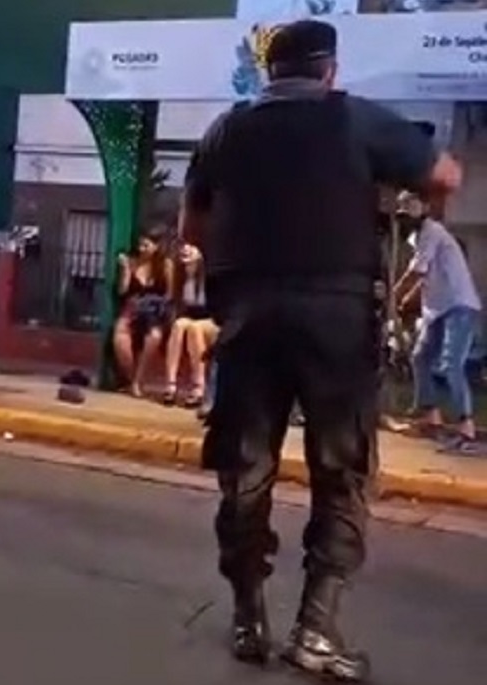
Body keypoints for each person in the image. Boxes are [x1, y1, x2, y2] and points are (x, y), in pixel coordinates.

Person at [180, 19, 463, 680]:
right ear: (329, 69)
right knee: (341, 471)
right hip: (336, 321)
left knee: (246, 469)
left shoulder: (228, 129)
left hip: (249, 316)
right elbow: (445, 175)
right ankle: (315, 627)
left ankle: (248, 617)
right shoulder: (355, 119)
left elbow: (193, 225)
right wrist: (386, 194)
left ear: (269, 71)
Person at [393, 191, 482, 453]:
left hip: (458, 305)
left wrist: (393, 295)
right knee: (421, 357)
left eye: (410, 210)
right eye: (403, 212)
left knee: (451, 364)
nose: (406, 217)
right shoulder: (418, 237)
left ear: (423, 210)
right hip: (437, 309)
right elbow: (424, 275)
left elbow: (417, 271)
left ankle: (466, 428)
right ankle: (431, 415)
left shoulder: (432, 231)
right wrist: (406, 298)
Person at [111, 229, 175, 397]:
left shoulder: (165, 264)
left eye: (146, 245)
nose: (142, 249)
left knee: (154, 337)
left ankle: (138, 381)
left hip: (154, 310)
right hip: (133, 307)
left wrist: (159, 308)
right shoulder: (132, 262)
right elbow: (122, 291)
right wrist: (126, 270)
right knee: (120, 336)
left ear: (156, 246)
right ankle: (131, 377)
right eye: (140, 245)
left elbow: (170, 294)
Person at [163, 243, 217, 407]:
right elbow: (176, 304)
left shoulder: (209, 276)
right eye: (183, 246)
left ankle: (198, 386)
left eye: (191, 246)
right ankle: (170, 384)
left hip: (213, 318)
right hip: (192, 316)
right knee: (178, 326)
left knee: (195, 328)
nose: (185, 249)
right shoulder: (180, 275)